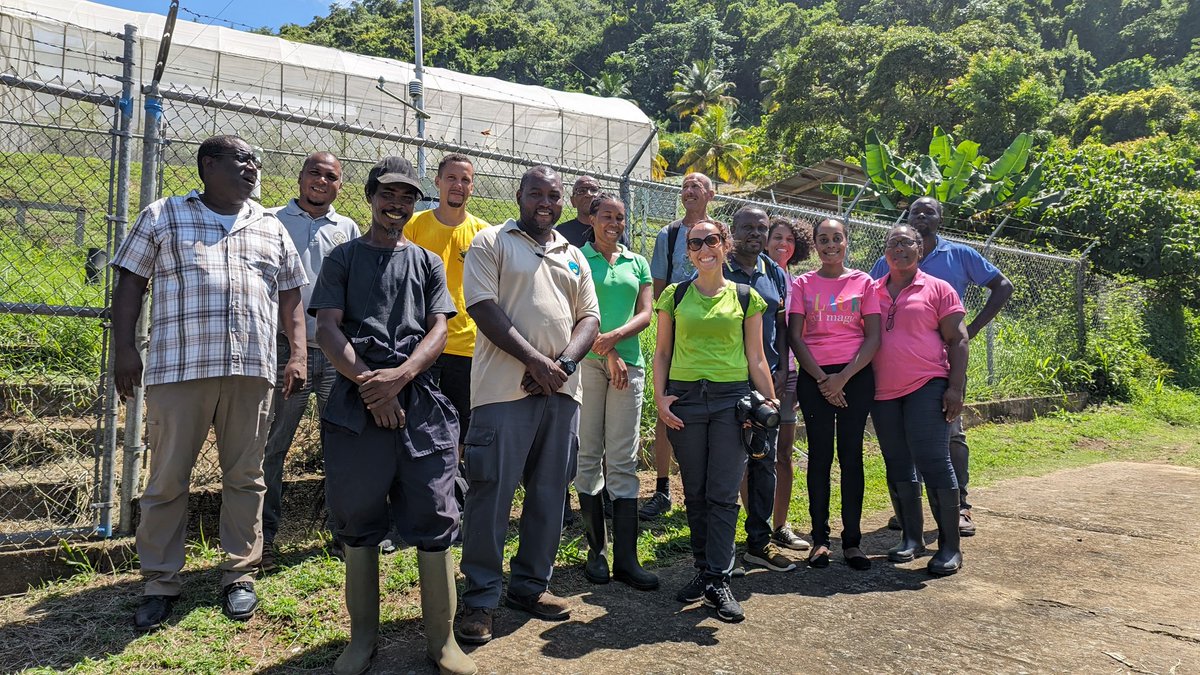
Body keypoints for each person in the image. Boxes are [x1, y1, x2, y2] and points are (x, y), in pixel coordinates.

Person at [111, 135, 308, 630]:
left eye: (256, 161)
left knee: (246, 476)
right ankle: (159, 581)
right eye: (242, 159)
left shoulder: (269, 224)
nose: (252, 168)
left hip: (252, 370)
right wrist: (124, 348)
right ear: (207, 165)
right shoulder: (164, 215)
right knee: (167, 480)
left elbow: (290, 298)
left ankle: (239, 573)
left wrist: (298, 353)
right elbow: (131, 282)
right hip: (181, 369)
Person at [310, 156, 474, 675]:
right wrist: (369, 384)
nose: (396, 204)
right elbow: (329, 330)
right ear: (370, 196)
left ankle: (442, 643)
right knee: (358, 516)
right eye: (387, 194)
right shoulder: (343, 258)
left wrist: (398, 381)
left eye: (406, 197)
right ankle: (362, 641)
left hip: (419, 398)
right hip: (356, 401)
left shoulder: (425, 262)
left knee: (433, 508)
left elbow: (439, 331)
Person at [456, 166, 600, 644]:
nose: (545, 201)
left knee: (548, 495)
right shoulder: (491, 242)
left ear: (563, 203)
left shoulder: (574, 254)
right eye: (535, 192)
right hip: (503, 392)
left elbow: (590, 319)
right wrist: (536, 362)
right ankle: (479, 599)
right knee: (490, 495)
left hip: (560, 392)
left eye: (553, 195)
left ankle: (530, 586)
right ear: (518, 196)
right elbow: (482, 307)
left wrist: (559, 365)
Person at [654, 219, 778, 624]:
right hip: (687, 401)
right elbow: (662, 354)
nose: (703, 248)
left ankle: (719, 580)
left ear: (725, 245)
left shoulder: (746, 297)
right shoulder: (675, 295)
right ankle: (704, 571)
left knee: (723, 493)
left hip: (731, 402)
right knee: (696, 492)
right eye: (695, 243)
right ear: (688, 251)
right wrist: (660, 398)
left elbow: (757, 357)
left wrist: (771, 402)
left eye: (711, 240)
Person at [869, 196, 1013, 536]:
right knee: (904, 438)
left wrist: (970, 330)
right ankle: (911, 510)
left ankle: (960, 506)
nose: (921, 215)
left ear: (940, 219)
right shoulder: (887, 260)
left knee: (949, 434)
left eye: (928, 211)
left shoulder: (959, 255)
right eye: (915, 211)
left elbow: (1002, 286)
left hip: (943, 364)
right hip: (895, 371)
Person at [260, 152, 359, 569]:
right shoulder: (269, 220)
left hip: (335, 352)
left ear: (340, 185)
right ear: (300, 177)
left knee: (341, 447)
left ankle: (346, 535)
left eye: (331, 176)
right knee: (271, 446)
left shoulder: (347, 229)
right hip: (284, 351)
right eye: (314, 173)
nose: (321, 181)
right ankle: (261, 538)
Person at [872, 224, 969, 577]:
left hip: (926, 385)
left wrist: (955, 388)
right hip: (882, 391)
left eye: (906, 243)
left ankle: (949, 546)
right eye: (892, 244)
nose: (899, 249)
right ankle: (911, 538)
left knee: (932, 459)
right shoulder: (873, 290)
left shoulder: (938, 289)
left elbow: (958, 340)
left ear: (919, 248)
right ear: (885, 253)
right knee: (897, 461)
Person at [575, 193, 658, 590]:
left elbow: (645, 312)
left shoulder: (637, 262)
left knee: (623, 459)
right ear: (592, 219)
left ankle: (627, 558)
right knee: (589, 454)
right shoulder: (576, 258)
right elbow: (573, 314)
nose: (614, 222)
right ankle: (597, 553)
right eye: (606, 215)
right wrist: (603, 350)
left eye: (620, 217)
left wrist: (614, 339)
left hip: (630, 364)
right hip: (589, 363)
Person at [788, 218, 880, 570]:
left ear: (846, 242)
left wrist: (842, 378)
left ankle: (853, 542)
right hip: (816, 378)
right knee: (820, 457)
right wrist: (825, 380)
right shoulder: (803, 284)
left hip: (854, 376)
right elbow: (796, 336)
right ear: (815, 245)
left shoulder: (863, 283)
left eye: (836, 238)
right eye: (823, 239)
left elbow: (872, 337)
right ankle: (820, 540)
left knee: (851, 456)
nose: (830, 245)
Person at [407, 153, 492, 522]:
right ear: (438, 182)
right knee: (419, 427)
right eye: (452, 178)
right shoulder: (414, 226)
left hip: (467, 346)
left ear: (472, 187)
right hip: (420, 346)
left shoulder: (484, 234)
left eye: (466, 180)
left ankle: (453, 504)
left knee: (460, 427)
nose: (459, 185)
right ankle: (416, 504)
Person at [724, 207, 799, 574]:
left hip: (766, 378)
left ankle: (758, 542)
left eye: (762, 228)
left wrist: (784, 366)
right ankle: (721, 550)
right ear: (733, 230)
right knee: (726, 463)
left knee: (763, 462)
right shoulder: (717, 268)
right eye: (747, 227)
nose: (755, 233)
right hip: (724, 379)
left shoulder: (775, 273)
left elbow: (782, 325)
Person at [643, 172, 717, 520]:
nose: (689, 191)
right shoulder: (668, 234)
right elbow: (659, 287)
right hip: (678, 329)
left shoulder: (718, 232)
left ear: (711, 194)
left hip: (714, 335)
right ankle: (661, 488)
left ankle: (701, 491)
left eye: (696, 186)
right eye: (684, 186)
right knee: (667, 404)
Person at [764, 216, 813, 552]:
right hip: (760, 373)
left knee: (783, 451)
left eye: (790, 239)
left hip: (791, 376)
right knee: (752, 452)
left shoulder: (798, 282)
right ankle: (756, 522)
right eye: (777, 237)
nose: (783, 244)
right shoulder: (756, 275)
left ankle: (780, 524)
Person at [556, 175, 631, 248]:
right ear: (573, 201)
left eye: (594, 190)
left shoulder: (614, 231)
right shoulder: (561, 232)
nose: (588, 194)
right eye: (581, 191)